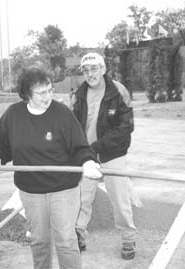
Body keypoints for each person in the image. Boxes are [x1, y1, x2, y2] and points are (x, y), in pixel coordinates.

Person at [0, 65, 102, 269]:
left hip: (63, 189)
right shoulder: (13, 115)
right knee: (39, 241)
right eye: (41, 93)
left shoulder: (62, 114)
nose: (47, 97)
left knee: (66, 241)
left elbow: (80, 146)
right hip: (31, 191)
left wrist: (88, 162)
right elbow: (3, 146)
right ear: (27, 94)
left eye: (50, 90)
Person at [72, 52, 137, 260]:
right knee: (82, 197)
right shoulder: (78, 95)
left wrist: (98, 146)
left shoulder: (119, 91)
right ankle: (79, 236)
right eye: (86, 70)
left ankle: (128, 239)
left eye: (94, 69)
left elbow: (126, 127)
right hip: (87, 156)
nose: (90, 74)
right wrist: (82, 151)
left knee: (120, 199)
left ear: (103, 69)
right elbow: (72, 126)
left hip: (112, 154)